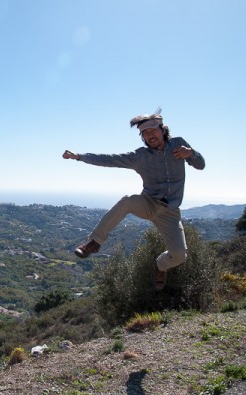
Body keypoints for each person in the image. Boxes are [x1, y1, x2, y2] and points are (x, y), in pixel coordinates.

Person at [62, 109, 205, 290]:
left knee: (179, 256)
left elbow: (201, 165)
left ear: (163, 130)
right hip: (148, 204)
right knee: (127, 201)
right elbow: (110, 160)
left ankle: (160, 266)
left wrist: (191, 154)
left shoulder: (179, 145)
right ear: (142, 138)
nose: (150, 135)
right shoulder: (141, 156)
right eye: (145, 133)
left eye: (153, 130)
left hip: (170, 211)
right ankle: (94, 242)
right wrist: (79, 156)